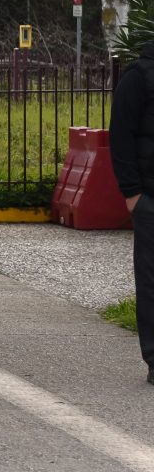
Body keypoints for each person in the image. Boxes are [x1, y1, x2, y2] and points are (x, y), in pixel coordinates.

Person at [107, 47, 154, 386]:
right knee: (151, 283)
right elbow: (120, 136)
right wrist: (133, 194)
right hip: (150, 199)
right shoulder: (138, 77)